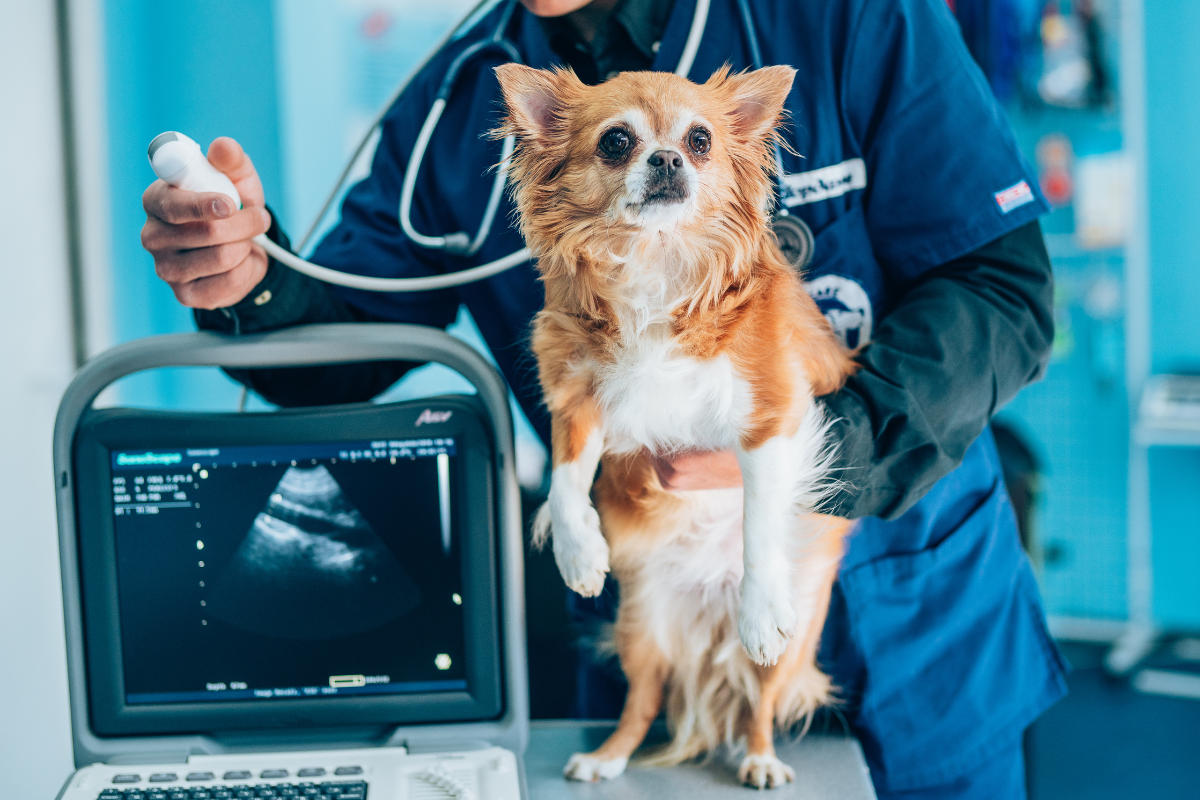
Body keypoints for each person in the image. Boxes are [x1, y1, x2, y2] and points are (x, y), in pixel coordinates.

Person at [139, 0, 1067, 796]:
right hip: (655, 620)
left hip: (915, 628)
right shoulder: (457, 105)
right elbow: (337, 343)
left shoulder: (849, 18)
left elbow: (1002, 289)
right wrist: (251, 281)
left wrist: (816, 450)